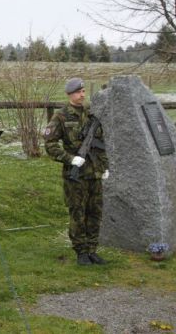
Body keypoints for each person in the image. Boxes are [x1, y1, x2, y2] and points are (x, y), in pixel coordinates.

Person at [43, 78, 109, 266]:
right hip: (75, 176)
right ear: (70, 94)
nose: (82, 94)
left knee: (95, 213)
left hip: (94, 173)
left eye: (83, 91)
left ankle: (92, 250)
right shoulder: (61, 116)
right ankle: (81, 252)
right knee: (78, 214)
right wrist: (70, 159)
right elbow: (50, 144)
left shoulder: (91, 115)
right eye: (79, 91)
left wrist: (104, 167)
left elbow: (100, 145)